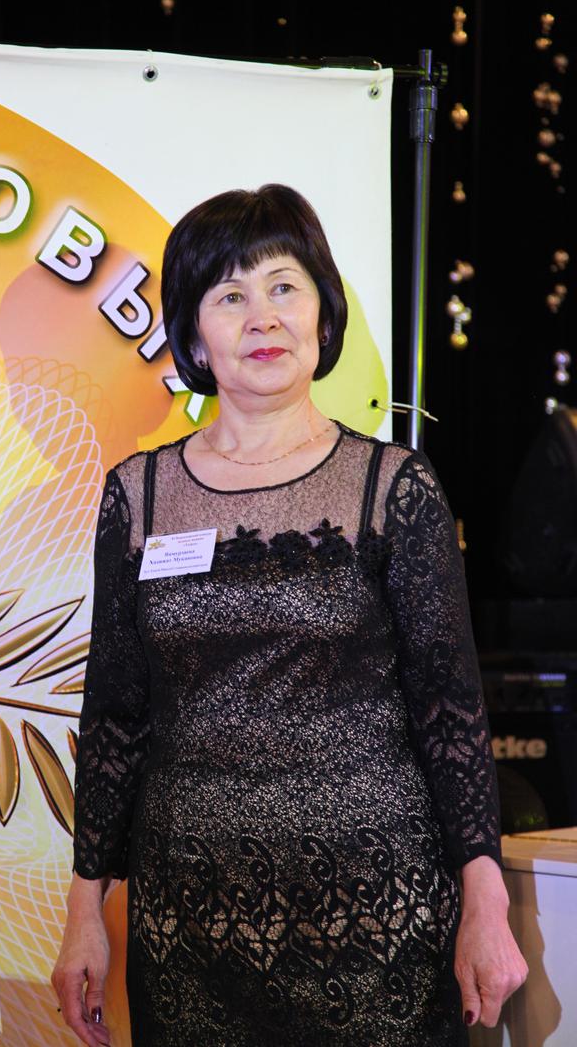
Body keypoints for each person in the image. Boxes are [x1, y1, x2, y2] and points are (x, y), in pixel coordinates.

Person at [52, 184, 527, 1046]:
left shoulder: (393, 488)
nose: (262, 317)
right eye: (230, 295)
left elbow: (449, 709)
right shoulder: (138, 495)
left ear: (322, 313)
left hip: (380, 924)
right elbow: (115, 716)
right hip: (188, 929)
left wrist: (485, 900)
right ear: (195, 333)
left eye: (283, 286)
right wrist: (85, 911)